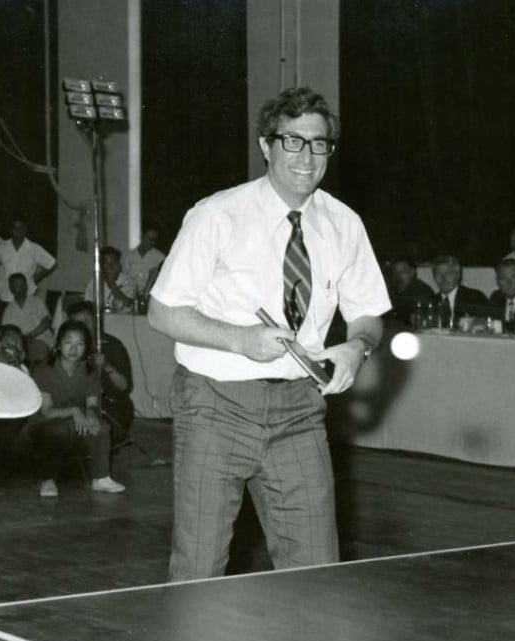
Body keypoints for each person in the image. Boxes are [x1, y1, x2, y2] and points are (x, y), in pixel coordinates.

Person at [149, 86, 390, 582]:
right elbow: (163, 311)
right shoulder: (217, 215)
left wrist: (356, 347)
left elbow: (368, 316)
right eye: (292, 141)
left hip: (300, 411)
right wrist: (240, 341)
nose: (306, 156)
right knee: (199, 569)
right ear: (266, 146)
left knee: (317, 573)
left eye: (319, 143)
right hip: (215, 405)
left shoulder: (345, 225)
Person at [28, 320, 125, 497]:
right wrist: (75, 411)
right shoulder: (44, 370)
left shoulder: (89, 370)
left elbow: (92, 404)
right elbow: (46, 411)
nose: (74, 349)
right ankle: (47, 479)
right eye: (68, 343)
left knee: (102, 427)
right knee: (58, 428)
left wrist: (90, 413)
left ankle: (101, 478)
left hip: (75, 422)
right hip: (45, 424)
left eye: (79, 344)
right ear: (58, 344)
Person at [67, 300, 134, 441]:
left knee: (102, 435)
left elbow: (124, 386)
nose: (83, 328)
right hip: (79, 405)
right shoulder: (68, 347)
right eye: (78, 324)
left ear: (96, 320)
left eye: (86, 321)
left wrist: (106, 366)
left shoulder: (112, 345)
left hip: (111, 405)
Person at [0, 216, 56, 304]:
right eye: (15, 228)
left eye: (21, 227)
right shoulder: (2, 247)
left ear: (25, 229)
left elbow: (52, 264)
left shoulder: (34, 248)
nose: (18, 231)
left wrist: (35, 279)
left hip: (27, 295)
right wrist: (0, 277)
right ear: (10, 230)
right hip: (5, 295)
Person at [1, 272, 53, 366]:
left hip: (41, 339)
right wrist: (22, 340)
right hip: (21, 344)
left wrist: (32, 335)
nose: (21, 288)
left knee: (38, 350)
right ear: (11, 289)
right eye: (17, 285)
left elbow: (47, 322)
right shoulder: (9, 310)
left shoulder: (37, 302)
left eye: (23, 284)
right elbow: (7, 332)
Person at [430, 254, 489, 326]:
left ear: (458, 275)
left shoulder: (475, 298)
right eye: (438, 274)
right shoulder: (430, 301)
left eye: (448, 273)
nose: (443, 278)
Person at [84, 245, 137, 312]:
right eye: (106, 263)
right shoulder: (93, 283)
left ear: (119, 264)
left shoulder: (129, 282)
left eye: (114, 262)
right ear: (101, 266)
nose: (110, 266)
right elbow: (88, 308)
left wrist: (112, 284)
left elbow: (127, 304)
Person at [385, 257, 435, 326]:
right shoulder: (391, 290)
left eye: (403, 272)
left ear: (412, 272)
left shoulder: (422, 291)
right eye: (395, 272)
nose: (398, 276)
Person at [122, 225, 165, 295]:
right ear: (142, 236)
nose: (153, 242)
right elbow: (124, 277)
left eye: (155, 240)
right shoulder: (130, 256)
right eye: (150, 239)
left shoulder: (160, 257)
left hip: (149, 295)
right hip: (130, 294)